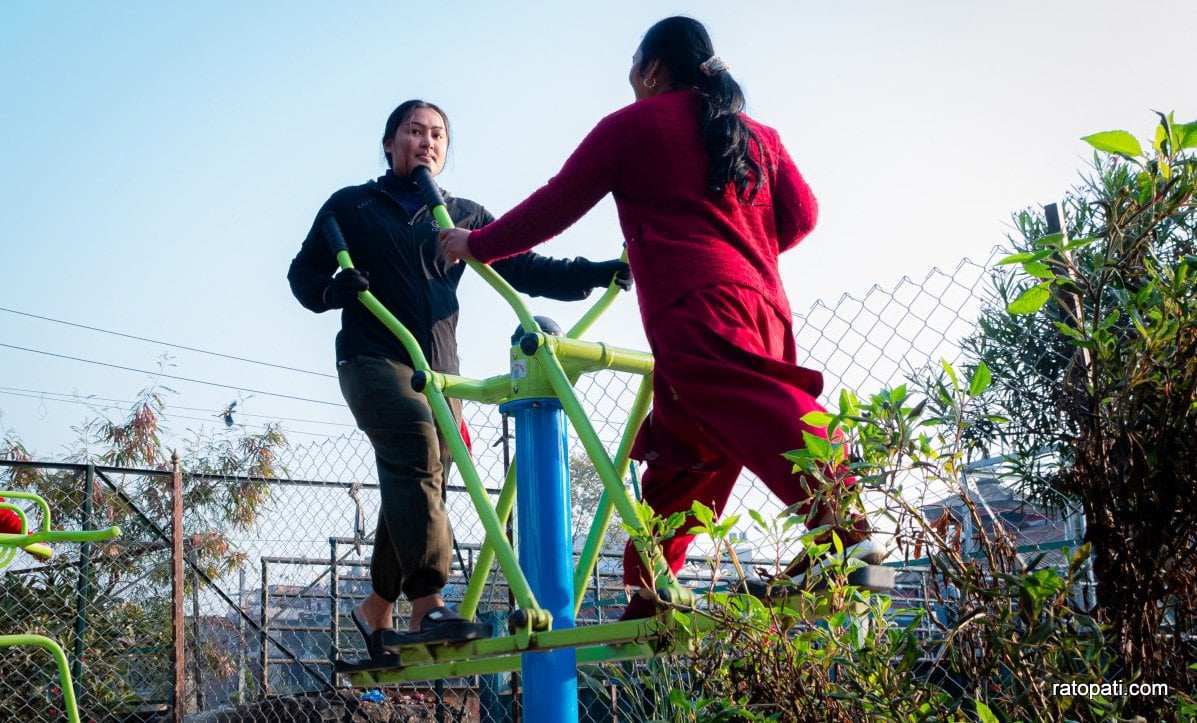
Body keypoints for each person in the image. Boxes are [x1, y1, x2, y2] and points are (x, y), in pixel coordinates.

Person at [439, 17, 883, 620]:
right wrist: (740, 245)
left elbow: (557, 201)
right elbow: (801, 216)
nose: (629, 77)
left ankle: (843, 526)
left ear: (651, 69)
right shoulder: (758, 136)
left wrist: (478, 243)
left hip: (696, 303)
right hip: (765, 307)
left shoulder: (634, 126)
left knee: (756, 404)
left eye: (632, 65)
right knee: (686, 446)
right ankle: (652, 587)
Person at [288, 99, 631, 654]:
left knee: (424, 475)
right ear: (388, 142)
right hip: (374, 356)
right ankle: (428, 606)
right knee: (416, 445)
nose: (427, 142)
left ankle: (375, 610)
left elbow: (526, 266)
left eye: (438, 135)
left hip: (440, 372)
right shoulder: (351, 206)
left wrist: (596, 272)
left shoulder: (462, 216)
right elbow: (303, 275)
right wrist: (332, 292)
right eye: (414, 131)